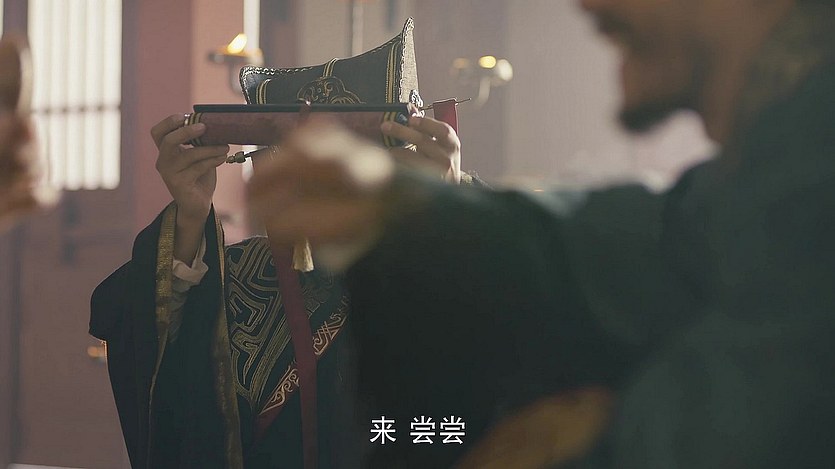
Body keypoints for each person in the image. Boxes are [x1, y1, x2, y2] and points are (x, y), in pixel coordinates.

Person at [246, 0, 835, 467]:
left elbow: (762, 411)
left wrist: (589, 440)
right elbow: (664, 238)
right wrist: (408, 208)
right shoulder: (791, 145)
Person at [89, 110, 463, 468]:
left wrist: (444, 221)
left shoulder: (456, 256)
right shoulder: (246, 272)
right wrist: (189, 216)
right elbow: (137, 325)